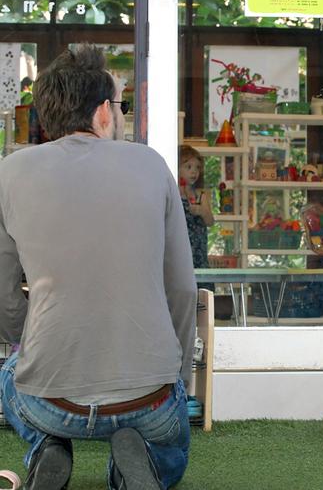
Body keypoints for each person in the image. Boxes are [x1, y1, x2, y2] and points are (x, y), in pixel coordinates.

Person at [0, 44, 196, 489]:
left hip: (50, 398)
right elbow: (182, 288)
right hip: (150, 400)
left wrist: (24, 341)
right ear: (104, 113)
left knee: (10, 373)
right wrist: (177, 377)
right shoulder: (151, 165)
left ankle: (46, 447)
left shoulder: (10, 172)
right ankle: (134, 469)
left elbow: (3, 292)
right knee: (170, 450)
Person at [179, 145, 214, 274]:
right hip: (180, 252)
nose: (194, 172)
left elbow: (210, 221)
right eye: (188, 167)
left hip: (198, 253)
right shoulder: (173, 194)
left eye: (197, 168)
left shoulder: (200, 195)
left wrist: (201, 211)